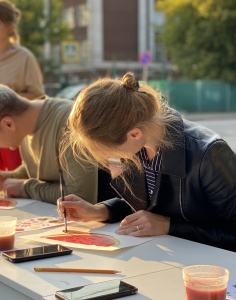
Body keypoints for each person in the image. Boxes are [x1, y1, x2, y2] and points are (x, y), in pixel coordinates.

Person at [56, 72, 236, 252]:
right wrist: (100, 211)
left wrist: (169, 226)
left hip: (209, 272)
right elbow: (147, 204)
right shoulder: (138, 144)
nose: (112, 158)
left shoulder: (209, 154)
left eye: (112, 152)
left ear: (134, 134)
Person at [0, 82, 114, 205]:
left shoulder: (70, 123)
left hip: (106, 230)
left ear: (8, 124)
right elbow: (45, 169)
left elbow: (81, 197)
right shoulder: (24, 126)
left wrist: (24, 188)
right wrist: (7, 177)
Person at [0, 0, 45, 171]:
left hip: (13, 130)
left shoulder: (24, 57)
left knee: (15, 182)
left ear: (10, 27)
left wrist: (2, 93)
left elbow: (38, 97)